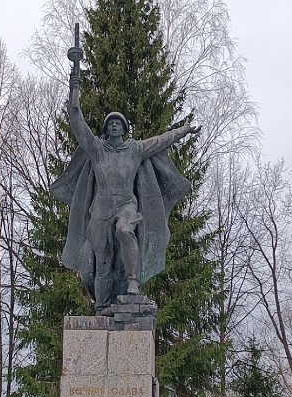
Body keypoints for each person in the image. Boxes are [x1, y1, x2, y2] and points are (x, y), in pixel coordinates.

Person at [51, 62, 200, 312]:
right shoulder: (96, 149)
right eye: (110, 123)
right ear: (105, 129)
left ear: (124, 128)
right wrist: (74, 86)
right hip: (100, 210)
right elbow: (76, 118)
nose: (114, 126)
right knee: (103, 260)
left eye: (119, 123)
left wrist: (183, 130)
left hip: (126, 205)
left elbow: (161, 141)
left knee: (125, 231)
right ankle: (102, 306)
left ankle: (133, 282)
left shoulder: (135, 149)